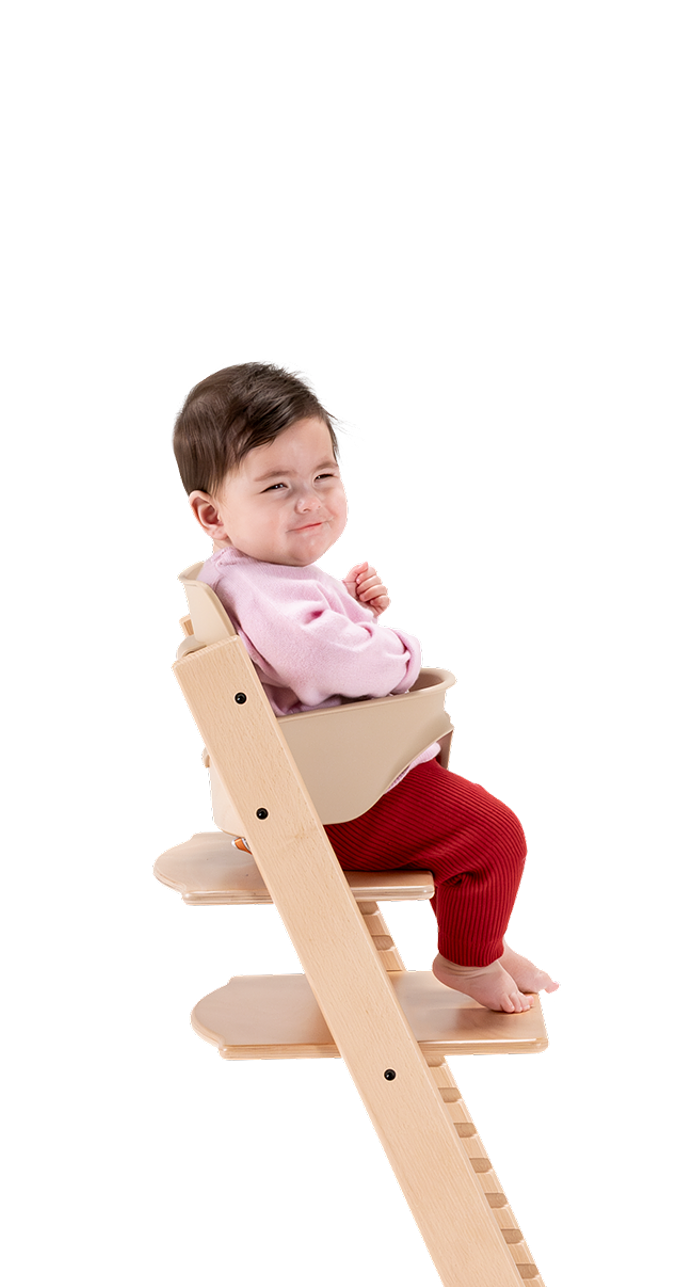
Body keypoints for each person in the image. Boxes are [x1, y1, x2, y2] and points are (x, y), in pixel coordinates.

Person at [170, 359, 558, 1014]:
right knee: (494, 834)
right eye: (277, 487)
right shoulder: (266, 592)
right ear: (213, 512)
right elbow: (333, 664)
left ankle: (482, 938)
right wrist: (399, 647)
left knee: (467, 822)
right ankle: (466, 959)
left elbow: (311, 647)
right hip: (331, 802)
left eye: (324, 476)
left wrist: (353, 609)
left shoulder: (256, 574)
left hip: (322, 781)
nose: (310, 500)